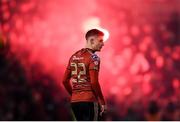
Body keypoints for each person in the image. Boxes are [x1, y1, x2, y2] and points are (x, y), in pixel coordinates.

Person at [62, 29, 107, 121]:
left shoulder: (73, 56)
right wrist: (102, 100)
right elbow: (94, 82)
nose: (103, 44)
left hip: (75, 102)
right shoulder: (94, 58)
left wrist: (74, 94)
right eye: (100, 41)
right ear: (91, 41)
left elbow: (64, 81)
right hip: (89, 100)